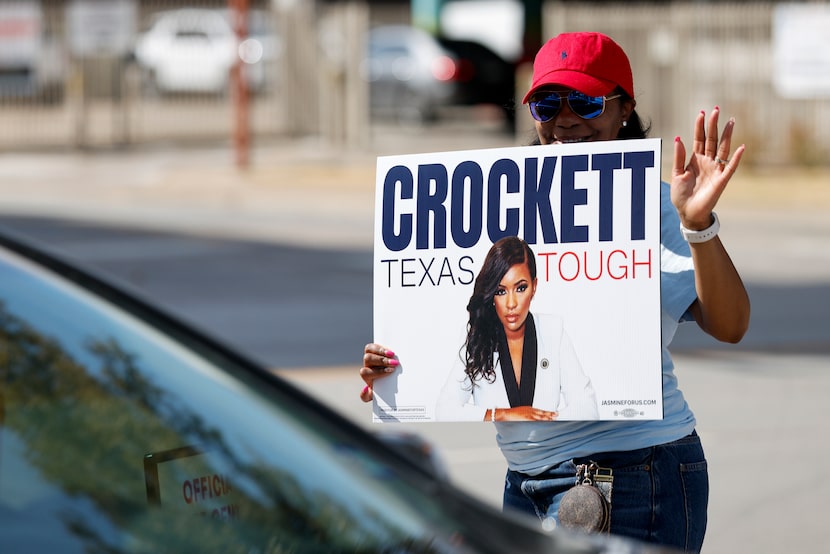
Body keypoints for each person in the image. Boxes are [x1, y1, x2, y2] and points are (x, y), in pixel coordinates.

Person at [360, 31, 750, 553]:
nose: (565, 119)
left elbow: (730, 325)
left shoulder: (653, 205)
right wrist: (399, 372)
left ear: (624, 109)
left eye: (585, 102)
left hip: (632, 474)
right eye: (547, 104)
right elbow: (457, 368)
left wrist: (698, 226)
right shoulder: (495, 212)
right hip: (524, 478)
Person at [435, 236, 598, 422]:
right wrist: (502, 415)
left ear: (534, 287)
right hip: (494, 441)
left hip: (546, 441)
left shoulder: (553, 331)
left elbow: (588, 408)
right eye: (501, 291)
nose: (511, 303)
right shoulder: (477, 337)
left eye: (520, 288)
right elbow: (444, 410)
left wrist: (541, 423)